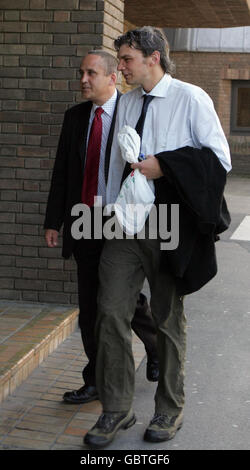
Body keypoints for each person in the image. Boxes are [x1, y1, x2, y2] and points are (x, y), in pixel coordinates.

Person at [83, 27, 231, 448]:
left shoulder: (191, 98)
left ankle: (169, 408)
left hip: (170, 224)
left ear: (153, 58)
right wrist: (105, 214)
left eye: (127, 59)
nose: (121, 68)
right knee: (110, 311)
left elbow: (219, 160)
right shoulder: (127, 103)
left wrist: (164, 165)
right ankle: (117, 409)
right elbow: (116, 164)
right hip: (123, 224)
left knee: (167, 318)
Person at [44, 50, 159, 405]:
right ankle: (93, 379)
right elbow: (63, 170)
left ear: (112, 78)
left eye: (91, 73)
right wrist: (54, 221)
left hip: (122, 221)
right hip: (85, 220)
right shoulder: (75, 117)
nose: (83, 79)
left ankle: (156, 348)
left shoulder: (133, 113)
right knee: (91, 304)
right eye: (82, 72)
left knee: (125, 298)